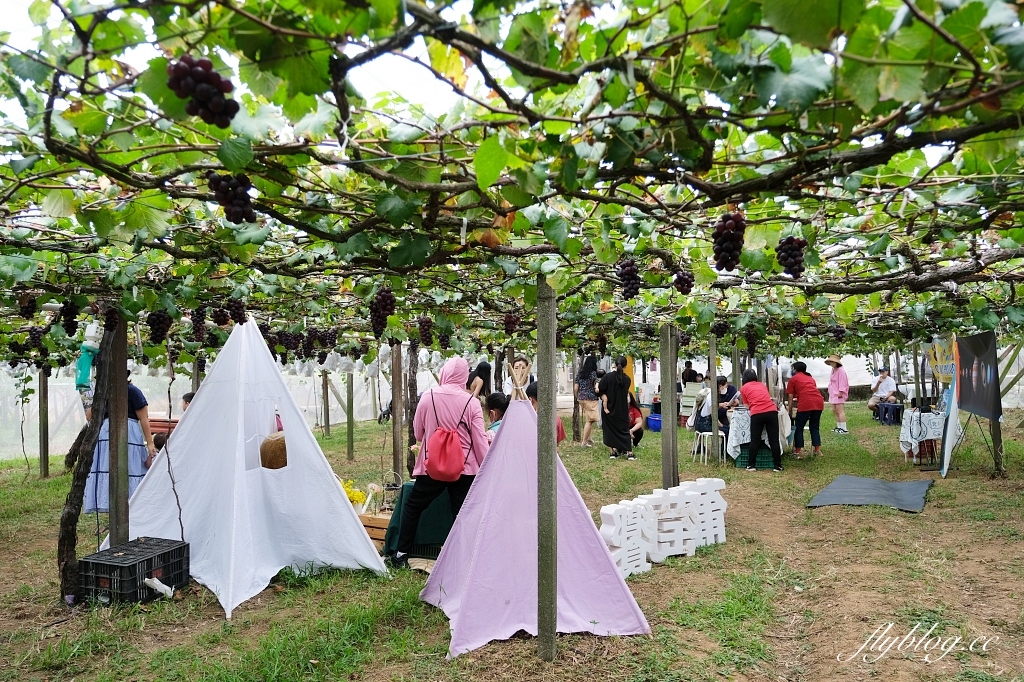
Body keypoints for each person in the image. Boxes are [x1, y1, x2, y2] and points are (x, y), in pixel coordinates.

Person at [393, 357, 489, 569]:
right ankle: (466, 558)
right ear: (465, 377)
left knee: (413, 506)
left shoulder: (428, 397)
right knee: (464, 512)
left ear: (444, 372)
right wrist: (486, 467)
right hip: (464, 467)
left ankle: (401, 554)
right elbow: (479, 440)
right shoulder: (471, 402)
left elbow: (418, 434)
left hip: (432, 466)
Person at [83, 373, 159, 513]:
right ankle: (112, 505)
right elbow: (90, 416)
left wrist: (150, 443)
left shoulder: (132, 391)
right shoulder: (103, 394)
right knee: (107, 466)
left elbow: (143, 418)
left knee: (130, 465)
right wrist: (92, 397)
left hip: (128, 432)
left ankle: (131, 505)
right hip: (106, 434)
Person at [740, 369, 783, 472]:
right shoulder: (762, 385)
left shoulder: (743, 388)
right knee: (774, 440)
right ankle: (777, 465)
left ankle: (751, 465)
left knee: (755, 440)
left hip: (757, 413)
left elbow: (747, 405)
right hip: (772, 411)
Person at [598, 355, 634, 460]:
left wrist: (603, 396)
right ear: (625, 366)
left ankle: (612, 452)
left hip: (608, 409)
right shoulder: (627, 379)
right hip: (622, 409)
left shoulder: (607, 377)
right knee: (624, 429)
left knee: (609, 430)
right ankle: (629, 453)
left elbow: (600, 389)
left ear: (614, 364)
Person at [786, 361, 823, 458]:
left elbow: (790, 397)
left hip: (806, 404)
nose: (792, 370)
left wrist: (789, 411)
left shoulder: (793, 379)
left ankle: (798, 451)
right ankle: (817, 450)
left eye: (792, 368)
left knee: (799, 427)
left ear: (795, 369)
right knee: (814, 427)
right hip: (818, 402)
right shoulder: (810, 378)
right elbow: (809, 390)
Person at [575, 354, 600, 447]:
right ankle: (584, 442)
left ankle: (588, 438)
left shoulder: (580, 373)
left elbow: (575, 388)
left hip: (581, 398)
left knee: (589, 418)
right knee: (590, 420)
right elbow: (596, 386)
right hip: (591, 399)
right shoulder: (594, 374)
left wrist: (578, 397)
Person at [825, 354, 849, 434]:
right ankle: (839, 427)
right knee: (835, 410)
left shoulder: (841, 371)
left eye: (832, 361)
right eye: (830, 361)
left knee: (840, 411)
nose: (831, 363)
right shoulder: (833, 370)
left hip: (838, 393)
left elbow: (843, 382)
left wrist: (841, 391)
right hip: (833, 393)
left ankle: (844, 428)